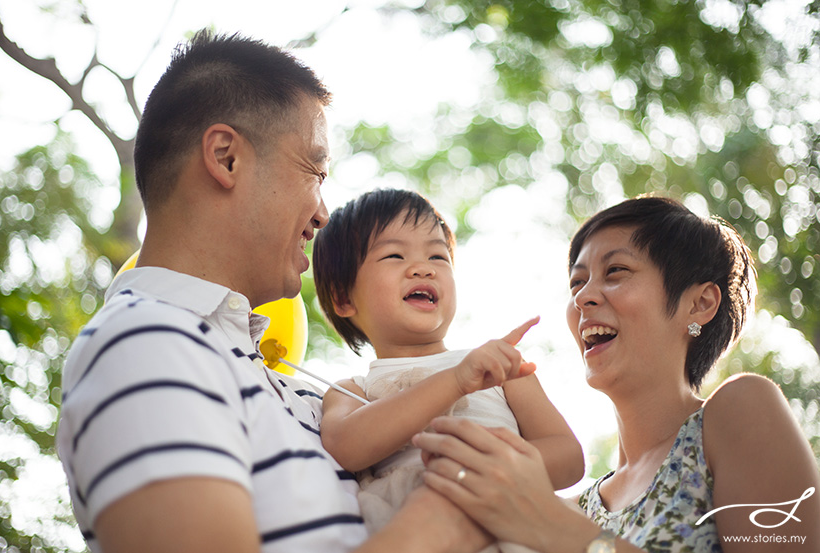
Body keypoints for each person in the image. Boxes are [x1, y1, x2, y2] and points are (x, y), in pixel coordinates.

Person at [56, 30, 494, 553]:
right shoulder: (146, 341)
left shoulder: (301, 393)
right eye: (314, 169)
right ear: (226, 158)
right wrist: (450, 518)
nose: (323, 214)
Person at [412, 196, 820, 552]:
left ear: (700, 304)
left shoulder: (742, 411)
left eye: (616, 272)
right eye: (577, 281)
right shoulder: (575, 509)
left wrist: (560, 531)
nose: (583, 296)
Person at [311, 188, 585, 551]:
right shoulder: (353, 390)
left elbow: (570, 456)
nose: (423, 267)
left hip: (514, 526)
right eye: (394, 254)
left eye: (438, 256)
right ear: (344, 298)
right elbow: (346, 446)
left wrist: (503, 468)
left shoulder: (499, 367)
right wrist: (455, 380)